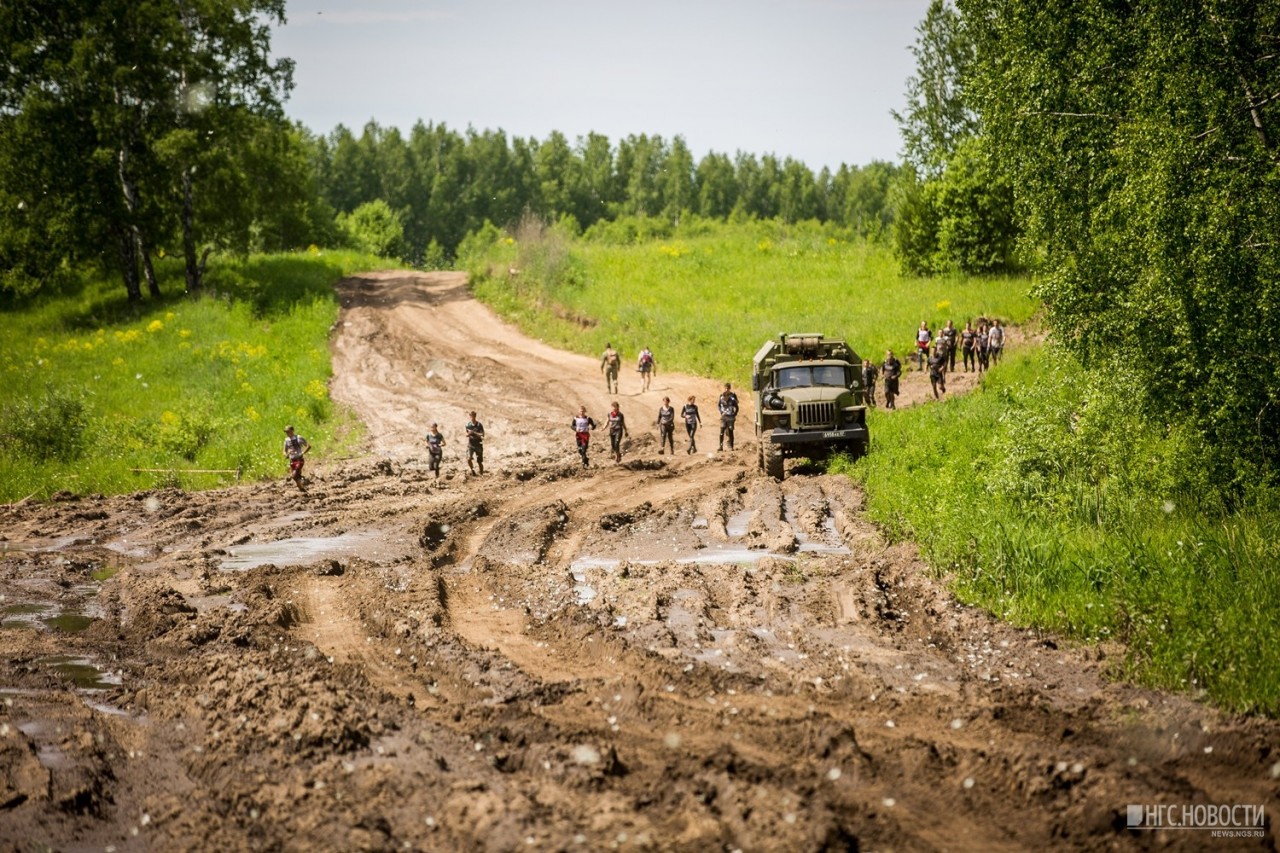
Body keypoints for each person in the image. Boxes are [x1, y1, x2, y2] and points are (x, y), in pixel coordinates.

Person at [282, 425, 311, 491]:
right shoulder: (286, 440)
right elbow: (284, 450)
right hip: (292, 460)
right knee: (296, 477)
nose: (287, 433)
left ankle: (303, 485)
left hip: (299, 459)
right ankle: (302, 488)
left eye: (288, 432)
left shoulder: (299, 438)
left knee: (294, 475)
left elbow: (308, 446)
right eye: (286, 432)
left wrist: (303, 452)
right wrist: (286, 455)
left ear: (292, 431)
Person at [717, 382, 739, 451]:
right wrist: (721, 412)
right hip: (724, 416)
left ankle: (730, 445)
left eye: (728, 388)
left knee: (730, 431)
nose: (726, 390)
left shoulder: (733, 395)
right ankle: (721, 446)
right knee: (722, 430)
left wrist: (734, 413)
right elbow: (719, 405)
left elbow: (737, 404)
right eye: (725, 388)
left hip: (730, 416)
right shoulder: (722, 395)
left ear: (730, 388)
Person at [464, 410, 485, 475]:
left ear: (475, 416)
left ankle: (481, 474)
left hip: (478, 444)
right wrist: (469, 433)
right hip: (471, 444)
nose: (471, 417)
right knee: (468, 458)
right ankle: (472, 470)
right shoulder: (468, 425)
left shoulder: (479, 425)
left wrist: (474, 433)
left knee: (479, 461)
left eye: (473, 416)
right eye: (470, 416)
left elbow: (482, 435)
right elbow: (466, 434)